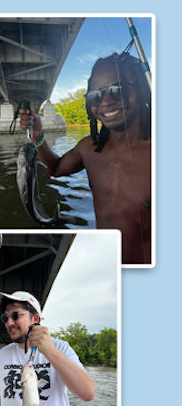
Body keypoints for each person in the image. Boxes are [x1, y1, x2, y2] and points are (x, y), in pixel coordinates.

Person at [19, 53, 151, 264]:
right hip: (105, 268)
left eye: (117, 90)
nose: (106, 102)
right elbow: (55, 169)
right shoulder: (89, 147)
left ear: (142, 90)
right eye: (95, 96)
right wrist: (38, 136)